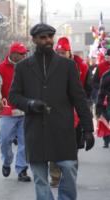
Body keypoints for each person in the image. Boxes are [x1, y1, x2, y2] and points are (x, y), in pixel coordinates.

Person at [9, 23, 95, 200]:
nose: (48, 40)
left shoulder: (67, 66)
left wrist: (88, 129)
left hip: (62, 130)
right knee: (41, 179)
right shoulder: (23, 67)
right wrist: (30, 103)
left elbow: (79, 99)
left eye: (50, 36)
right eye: (43, 37)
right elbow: (13, 96)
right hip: (36, 131)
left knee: (69, 169)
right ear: (34, 40)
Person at [48, 36, 93, 187]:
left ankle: (69, 176)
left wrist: (86, 110)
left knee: (72, 147)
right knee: (53, 145)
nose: (60, 55)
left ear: (69, 52)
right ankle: (55, 176)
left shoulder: (82, 67)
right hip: (54, 111)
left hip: (75, 112)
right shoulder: (49, 65)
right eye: (58, 52)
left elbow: (87, 90)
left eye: (63, 52)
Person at [0, 42, 31, 182]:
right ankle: (7, 161)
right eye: (21, 53)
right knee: (5, 139)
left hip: (25, 111)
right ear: (13, 54)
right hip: (8, 111)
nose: (24, 55)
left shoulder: (29, 67)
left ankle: (22, 169)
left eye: (25, 53)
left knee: (25, 141)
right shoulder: (0, 69)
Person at [93, 49, 110, 147]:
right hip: (104, 98)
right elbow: (94, 81)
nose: (108, 58)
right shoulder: (100, 67)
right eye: (107, 56)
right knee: (105, 119)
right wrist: (98, 88)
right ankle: (106, 140)